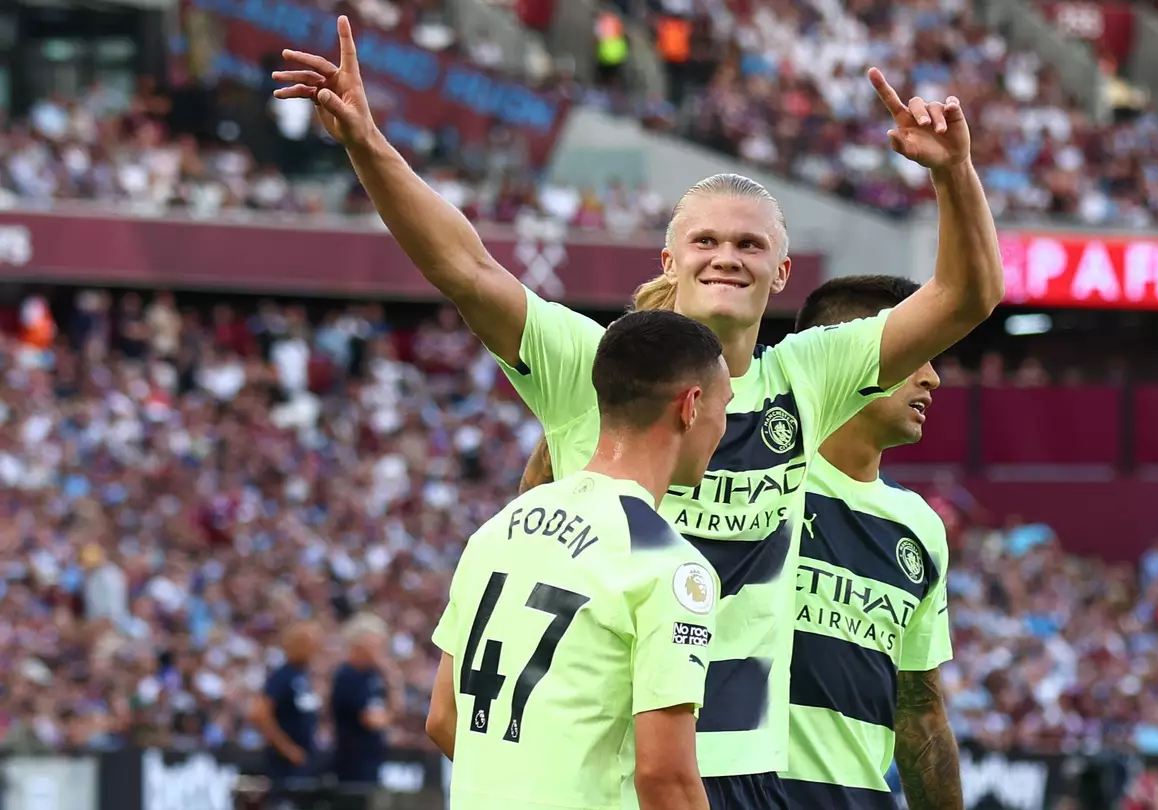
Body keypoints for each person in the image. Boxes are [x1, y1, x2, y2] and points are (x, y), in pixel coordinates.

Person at [276, 19, 1003, 806]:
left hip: (747, 770)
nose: (726, 255)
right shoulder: (595, 368)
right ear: (670, 260)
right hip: (622, 767)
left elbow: (967, 298)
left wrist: (954, 174)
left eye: (751, 246)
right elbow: (467, 267)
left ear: (782, 271)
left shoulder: (807, 377)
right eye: (706, 240)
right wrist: (367, 145)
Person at [424, 309, 730, 810]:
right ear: (691, 406)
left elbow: (443, 717)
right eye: (726, 407)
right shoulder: (667, 563)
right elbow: (665, 778)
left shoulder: (500, 526)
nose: (724, 427)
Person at [777, 276, 961, 810]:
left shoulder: (919, 527)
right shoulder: (747, 470)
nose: (934, 378)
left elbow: (920, 715)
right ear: (848, 354)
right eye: (917, 355)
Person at [250, 622, 323, 804]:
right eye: (309, 642)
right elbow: (259, 714)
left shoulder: (304, 676)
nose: (315, 647)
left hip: (304, 760)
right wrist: (287, 748)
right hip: (284, 763)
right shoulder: (282, 676)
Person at [330, 613, 395, 804]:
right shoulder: (347, 676)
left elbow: (392, 712)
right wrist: (387, 718)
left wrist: (393, 681)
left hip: (371, 760)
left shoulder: (372, 675)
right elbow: (373, 721)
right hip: (352, 763)